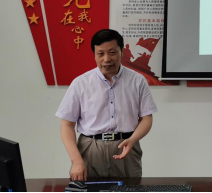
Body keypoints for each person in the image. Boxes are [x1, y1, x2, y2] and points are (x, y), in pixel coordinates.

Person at [56, 29, 158, 180]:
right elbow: (67, 125)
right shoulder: (80, 83)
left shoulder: (137, 81)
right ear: (94, 55)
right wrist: (76, 160)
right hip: (90, 148)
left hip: (126, 146)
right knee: (88, 189)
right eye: (100, 54)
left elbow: (146, 118)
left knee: (130, 189)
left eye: (112, 53)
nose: (107, 59)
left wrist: (133, 139)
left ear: (121, 51)